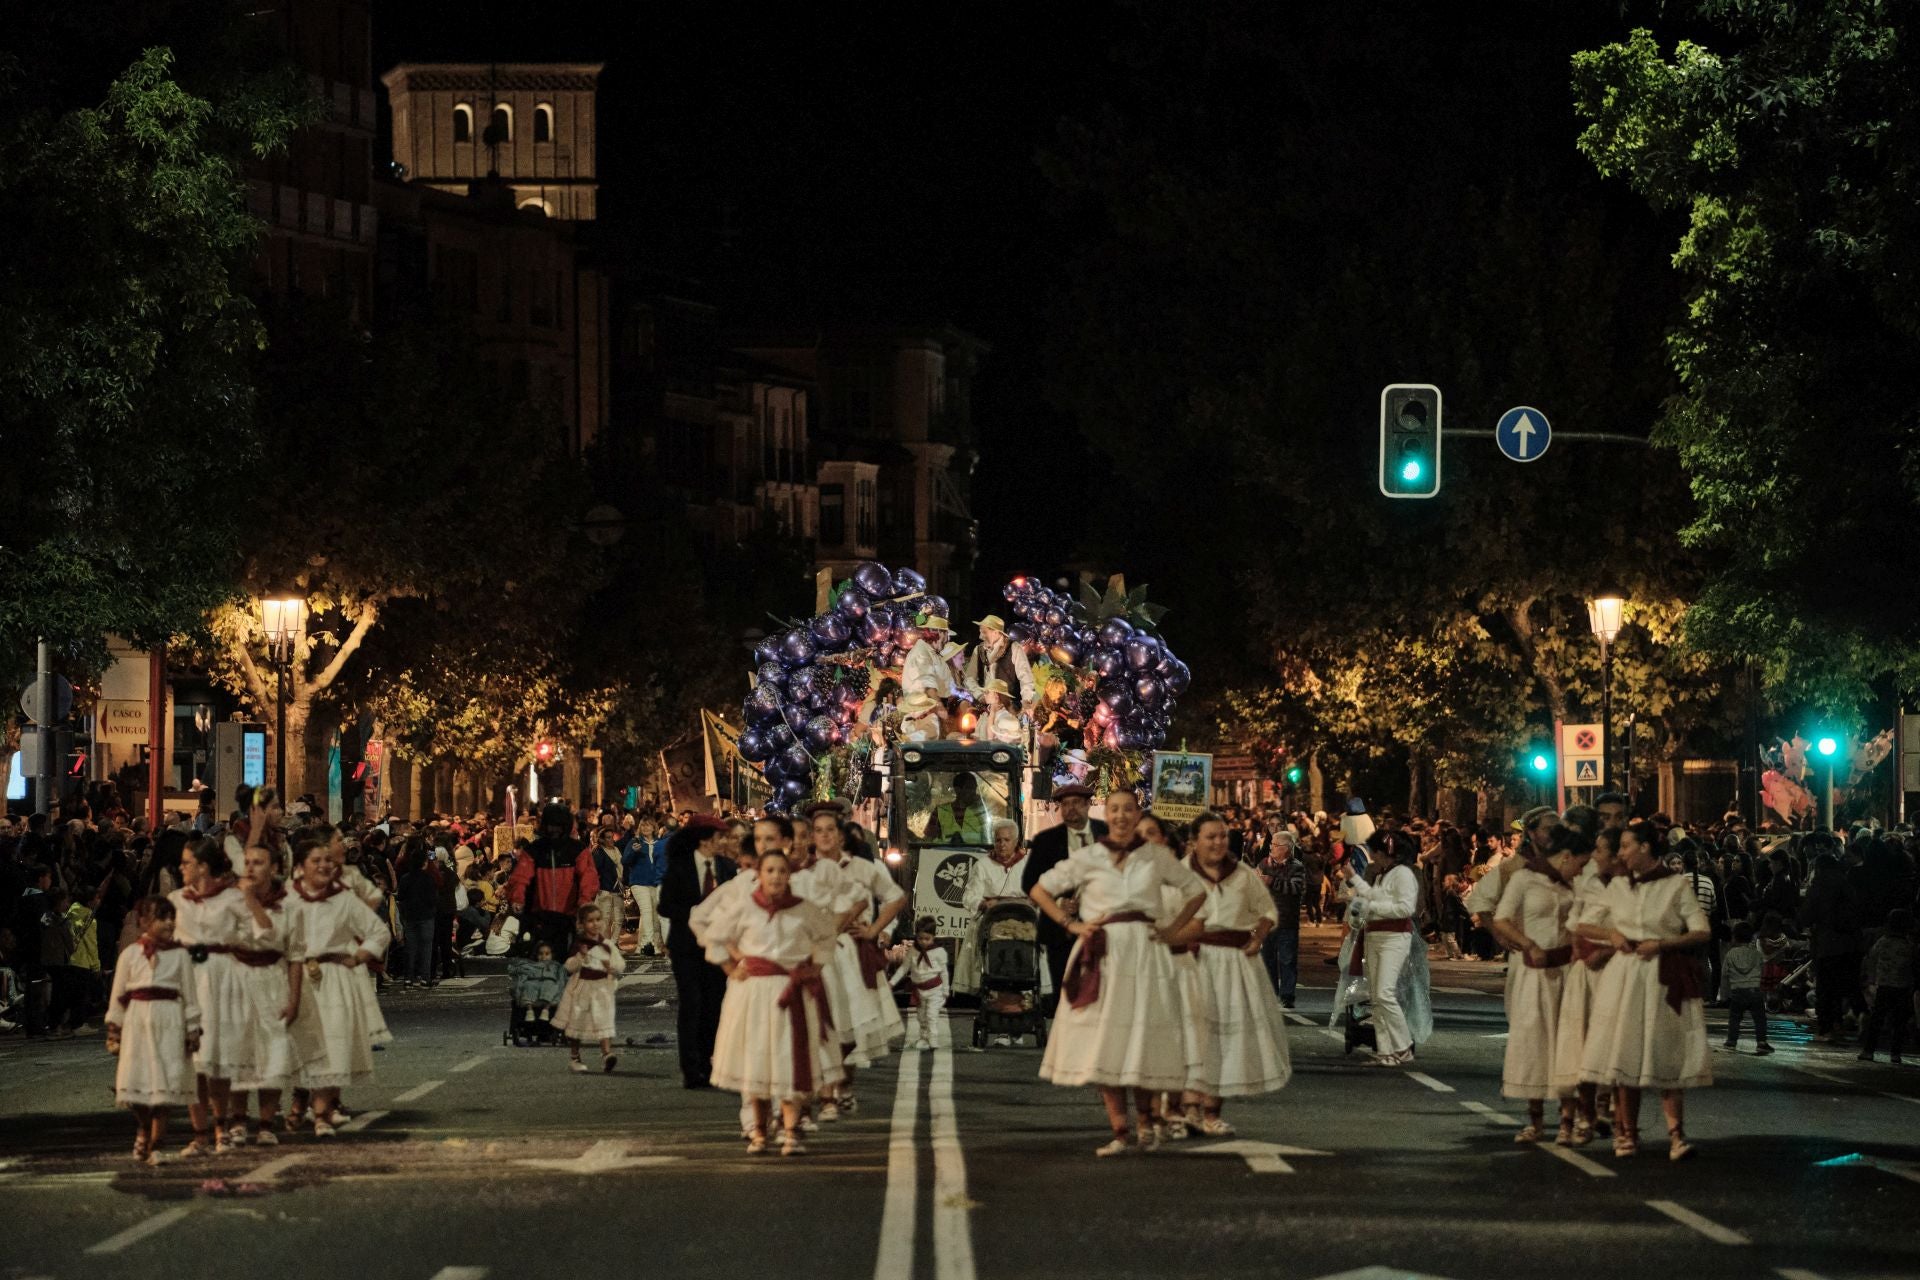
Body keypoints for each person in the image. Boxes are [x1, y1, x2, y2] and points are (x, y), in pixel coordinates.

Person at [1030, 789, 1207, 1157]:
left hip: (1145, 950)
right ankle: (1119, 1129)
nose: (1122, 816)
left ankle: (1145, 1121)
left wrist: (1173, 930)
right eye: (1115, 810)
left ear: (1137, 812)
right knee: (1105, 1039)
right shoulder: (1090, 856)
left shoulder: (1155, 856)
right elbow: (1041, 888)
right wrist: (1070, 923)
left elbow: (1195, 891)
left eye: (1129, 809)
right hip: (1104, 949)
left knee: (1142, 1037)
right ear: (1106, 814)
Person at [1578, 820, 1712, 1161]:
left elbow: (1700, 930)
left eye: (1625, 846)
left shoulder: (1675, 886)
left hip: (1662, 974)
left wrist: (1663, 944)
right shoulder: (1618, 886)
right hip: (1626, 975)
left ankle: (1676, 1136)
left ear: (1645, 848)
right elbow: (1584, 922)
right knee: (1626, 1051)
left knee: (1666, 1052)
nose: (1621, 853)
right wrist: (1612, 936)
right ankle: (1627, 1134)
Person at [707, 848, 844, 1156]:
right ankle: (758, 1131)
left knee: (788, 1060)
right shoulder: (746, 907)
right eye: (770, 870)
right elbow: (716, 934)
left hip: (790, 990)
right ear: (760, 873)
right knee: (757, 1058)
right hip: (754, 993)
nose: (776, 877)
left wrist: (816, 967)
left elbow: (826, 937)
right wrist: (732, 966)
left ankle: (791, 1129)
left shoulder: (803, 909)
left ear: (789, 875)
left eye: (782, 871)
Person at [1174, 812, 1289, 1138]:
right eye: (1210, 837)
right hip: (1193, 962)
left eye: (1222, 836)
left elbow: (1266, 911)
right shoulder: (1180, 873)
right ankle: (1188, 1109)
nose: (1217, 842)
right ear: (1194, 842)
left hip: (1234, 965)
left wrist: (1257, 938)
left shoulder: (1241, 874)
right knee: (1192, 1036)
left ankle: (1211, 1112)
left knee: (1226, 1038)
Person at [285, 834, 392, 1136]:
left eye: (326, 861)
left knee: (331, 1044)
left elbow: (378, 932)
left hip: (333, 979)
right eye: (315, 861)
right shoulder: (288, 899)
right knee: (300, 1044)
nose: (323, 866)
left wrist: (358, 957)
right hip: (299, 977)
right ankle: (299, 1101)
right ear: (301, 866)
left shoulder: (343, 898)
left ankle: (322, 1112)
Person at [1491, 823, 1591, 1145]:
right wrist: (1526, 944)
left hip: (1568, 971)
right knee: (1533, 1043)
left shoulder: (1578, 884)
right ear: (1565, 856)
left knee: (1569, 1044)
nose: (1581, 868)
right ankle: (1535, 1121)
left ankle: (1567, 1121)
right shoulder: (1525, 878)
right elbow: (1502, 919)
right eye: (1579, 861)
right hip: (1533, 972)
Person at [811, 805, 906, 1112]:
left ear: (841, 836)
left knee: (849, 1026)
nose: (824, 836)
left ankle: (844, 1083)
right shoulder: (804, 869)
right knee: (821, 1024)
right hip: (815, 954)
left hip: (849, 953)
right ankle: (827, 1090)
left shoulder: (862, 868)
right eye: (818, 830)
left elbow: (895, 897)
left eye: (830, 830)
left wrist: (874, 930)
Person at [169, 839, 254, 1155]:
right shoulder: (176, 900)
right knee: (192, 1063)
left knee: (217, 1058)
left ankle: (223, 1128)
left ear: (203, 867)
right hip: (187, 978)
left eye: (187, 862)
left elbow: (254, 934)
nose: (182, 868)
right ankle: (199, 1134)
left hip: (221, 979)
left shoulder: (232, 899)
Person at [105, 897, 201, 1164]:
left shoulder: (180, 955)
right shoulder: (130, 955)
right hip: (138, 1023)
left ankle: (156, 1144)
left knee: (165, 1085)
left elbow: (190, 996)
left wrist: (192, 1029)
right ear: (144, 922)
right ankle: (144, 1127)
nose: (169, 923)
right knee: (139, 1082)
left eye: (172, 917)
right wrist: (115, 1029)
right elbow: (119, 995)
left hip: (169, 1022)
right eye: (162, 917)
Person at [1336, 830, 1433, 1067]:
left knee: (1384, 993)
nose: (1372, 855)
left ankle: (1402, 1046)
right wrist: (1357, 888)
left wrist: (1370, 908)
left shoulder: (1403, 875)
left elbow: (1405, 908)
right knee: (1377, 997)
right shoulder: (1384, 874)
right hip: (1375, 935)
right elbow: (1373, 896)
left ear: (1386, 852)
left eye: (1375, 851)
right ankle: (1386, 1052)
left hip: (1394, 937)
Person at [657, 814, 735, 1089]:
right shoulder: (680, 867)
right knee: (692, 1003)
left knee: (714, 1005)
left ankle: (709, 1062)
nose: (722, 843)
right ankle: (691, 1069)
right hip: (686, 946)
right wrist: (696, 914)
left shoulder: (726, 868)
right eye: (718, 838)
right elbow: (664, 906)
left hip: (717, 947)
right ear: (704, 840)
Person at [230, 844, 298, 1143]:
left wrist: (294, 998)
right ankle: (237, 1119)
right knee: (239, 1051)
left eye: (258, 862)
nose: (251, 868)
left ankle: (267, 1123)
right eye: (247, 863)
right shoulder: (232, 902)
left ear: (273, 868)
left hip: (273, 979)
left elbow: (293, 952)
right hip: (239, 979)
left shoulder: (287, 903)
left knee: (272, 1053)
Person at [1022, 783, 1108, 1017]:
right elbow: (1029, 882)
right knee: (1065, 988)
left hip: (1099, 925)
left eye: (1077, 803)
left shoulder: (1106, 835)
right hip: (1060, 928)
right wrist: (1058, 903)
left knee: (1100, 988)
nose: (1071, 809)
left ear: (1088, 805)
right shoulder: (1046, 841)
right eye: (1066, 804)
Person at [955, 820, 1041, 1017]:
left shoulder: (1028, 864)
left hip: (1023, 924)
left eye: (1007, 840)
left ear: (1016, 841)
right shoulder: (983, 865)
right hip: (992, 923)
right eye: (998, 840)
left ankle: (1023, 1006)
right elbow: (969, 896)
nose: (1002, 844)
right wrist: (984, 904)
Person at [504, 802, 600, 958]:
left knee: (565, 959)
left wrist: (583, 904)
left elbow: (588, 880)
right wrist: (518, 899)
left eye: (558, 826)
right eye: (551, 825)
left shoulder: (578, 849)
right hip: (539, 916)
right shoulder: (534, 850)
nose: (554, 830)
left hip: (568, 916)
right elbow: (520, 878)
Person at [554, 903, 624, 1074]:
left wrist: (613, 968)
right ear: (582, 924)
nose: (595, 924)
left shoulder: (607, 944)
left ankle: (606, 1054)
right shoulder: (579, 945)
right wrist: (580, 957)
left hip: (601, 988)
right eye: (590, 921)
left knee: (603, 1020)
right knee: (577, 1021)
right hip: (582, 987)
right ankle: (575, 1056)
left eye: (598, 920)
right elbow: (569, 967)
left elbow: (619, 964)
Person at [1255, 830, 1307, 1007]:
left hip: (1287, 921)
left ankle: (1287, 996)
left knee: (1287, 959)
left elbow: (1296, 889)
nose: (1271, 847)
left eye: (1275, 845)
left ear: (1286, 848)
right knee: (1267, 958)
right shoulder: (1264, 864)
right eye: (1272, 844)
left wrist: (1272, 882)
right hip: (1266, 921)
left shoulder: (1297, 867)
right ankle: (1270, 993)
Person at [1857, 907, 1914, 1063]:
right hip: (1902, 987)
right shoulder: (1909, 945)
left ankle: (1869, 1050)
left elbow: (1871, 960)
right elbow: (1913, 965)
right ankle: (1895, 1053)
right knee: (1899, 1022)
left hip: (1884, 986)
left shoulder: (1882, 942)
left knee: (1877, 1020)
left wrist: (1871, 980)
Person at [891, 916, 950, 1051]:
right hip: (919, 990)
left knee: (932, 1015)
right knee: (921, 1016)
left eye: (927, 939)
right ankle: (924, 1037)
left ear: (933, 937)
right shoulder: (913, 951)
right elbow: (904, 968)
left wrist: (946, 990)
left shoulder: (939, 952)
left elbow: (944, 972)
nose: (923, 942)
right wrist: (892, 982)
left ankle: (933, 1040)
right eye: (920, 938)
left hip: (935, 989)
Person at [962, 613, 1037, 709]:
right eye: (980, 632)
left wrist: (1026, 701)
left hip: (1010, 707)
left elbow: (1026, 678)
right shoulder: (979, 650)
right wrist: (980, 696)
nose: (980, 636)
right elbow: (969, 679)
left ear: (996, 632)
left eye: (984, 632)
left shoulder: (1014, 648)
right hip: (985, 708)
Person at [1722, 920, 1772, 1055]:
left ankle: (1731, 1041)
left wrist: (1725, 994)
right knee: (1760, 1018)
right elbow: (1762, 970)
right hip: (1754, 990)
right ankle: (1761, 1042)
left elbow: (1725, 974)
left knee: (1735, 1018)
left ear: (1734, 937)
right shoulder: (1756, 954)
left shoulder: (1730, 954)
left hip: (1737, 991)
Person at [624, 815, 668, 957]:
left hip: (655, 882)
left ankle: (647, 945)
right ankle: (648, 945)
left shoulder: (659, 843)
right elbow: (624, 861)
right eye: (643, 825)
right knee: (647, 911)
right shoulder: (635, 842)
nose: (645, 828)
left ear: (654, 827)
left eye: (648, 825)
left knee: (654, 915)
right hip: (638, 882)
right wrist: (633, 852)